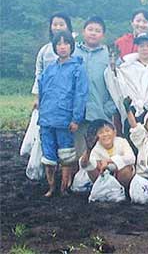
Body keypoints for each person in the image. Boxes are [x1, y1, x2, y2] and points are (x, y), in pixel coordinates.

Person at [38, 31, 88, 197]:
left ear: (71, 46)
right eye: (59, 44)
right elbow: (42, 92)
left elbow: (80, 95)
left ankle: (64, 188)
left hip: (65, 119)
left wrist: (76, 118)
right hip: (47, 119)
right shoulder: (49, 68)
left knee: (66, 154)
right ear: (54, 47)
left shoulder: (77, 68)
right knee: (48, 154)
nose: (62, 47)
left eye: (66, 43)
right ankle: (51, 187)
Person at [105, 34, 148, 135]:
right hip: (133, 111)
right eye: (141, 46)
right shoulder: (126, 67)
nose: (144, 49)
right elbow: (117, 83)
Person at [73, 16, 118, 155]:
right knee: (77, 153)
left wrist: (108, 109)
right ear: (83, 31)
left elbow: (118, 85)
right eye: (90, 29)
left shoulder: (109, 56)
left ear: (102, 35)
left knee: (101, 153)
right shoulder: (73, 52)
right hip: (77, 114)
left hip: (100, 113)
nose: (93, 33)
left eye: (97, 30)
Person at [32, 12, 73, 108]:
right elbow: (39, 74)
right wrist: (37, 97)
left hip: (68, 98)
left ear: (68, 27)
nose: (58, 27)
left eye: (61, 24)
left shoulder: (74, 48)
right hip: (48, 96)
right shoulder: (44, 50)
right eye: (55, 24)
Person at [79, 120, 135, 189]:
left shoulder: (122, 141)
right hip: (103, 176)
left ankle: (122, 191)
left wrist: (109, 161)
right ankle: (102, 190)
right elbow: (84, 164)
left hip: (120, 176)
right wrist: (88, 150)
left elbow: (132, 158)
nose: (105, 134)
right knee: (90, 168)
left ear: (114, 133)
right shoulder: (94, 146)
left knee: (126, 169)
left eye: (107, 131)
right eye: (101, 132)